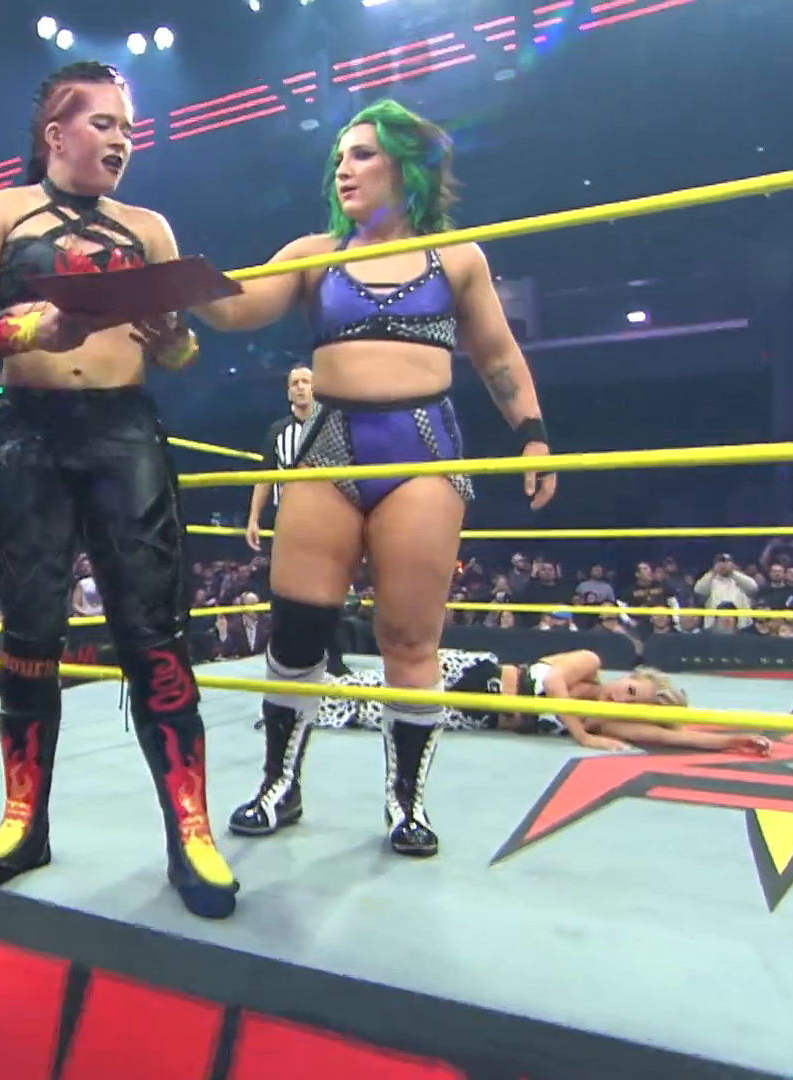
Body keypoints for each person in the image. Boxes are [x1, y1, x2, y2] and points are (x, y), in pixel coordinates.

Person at [195, 99, 556, 855]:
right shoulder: (315, 253)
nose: (344, 168)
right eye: (339, 157)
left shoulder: (455, 257)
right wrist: (170, 280)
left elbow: (496, 355)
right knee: (297, 628)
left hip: (420, 448)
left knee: (409, 638)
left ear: (404, 165)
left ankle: (406, 801)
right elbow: (236, 308)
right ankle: (279, 783)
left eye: (361, 154)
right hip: (329, 445)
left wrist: (531, 435)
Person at [0, 60, 232, 918]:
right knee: (29, 630)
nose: (122, 140)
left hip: (125, 432)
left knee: (155, 634)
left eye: (128, 128)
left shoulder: (149, 227)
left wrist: (171, 335)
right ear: (55, 134)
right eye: (104, 123)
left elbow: (182, 354)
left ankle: (191, 832)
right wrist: (38, 324)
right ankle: (22, 820)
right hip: (31, 432)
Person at [306, 649, 769, 755]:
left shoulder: (606, 720)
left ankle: (301, 700)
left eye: (631, 702)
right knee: (375, 686)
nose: (618, 697)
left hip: (477, 715)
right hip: (473, 676)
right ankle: (295, 691)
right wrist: (582, 734)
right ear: (627, 677)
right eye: (629, 689)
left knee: (370, 712)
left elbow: (672, 738)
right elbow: (549, 679)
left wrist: (735, 740)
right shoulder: (589, 664)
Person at [244, 366, 315, 553]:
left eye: (306, 382)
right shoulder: (277, 431)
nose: (300, 387)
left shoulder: (330, 426)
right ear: (289, 393)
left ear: (315, 389)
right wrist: (253, 520)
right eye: (295, 383)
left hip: (324, 513)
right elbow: (264, 478)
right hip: (286, 515)